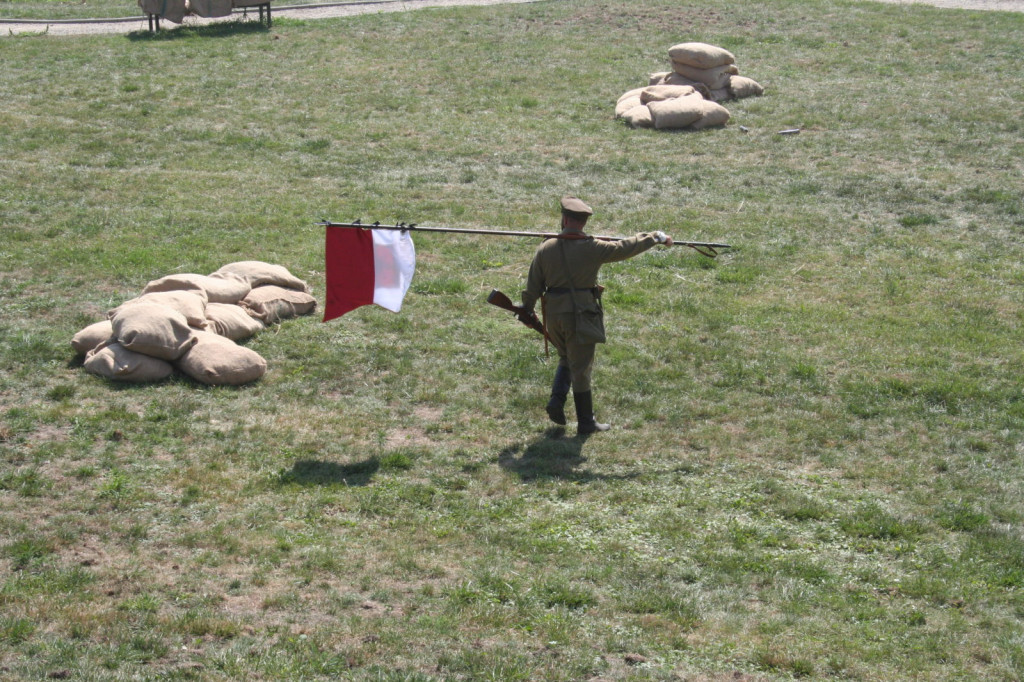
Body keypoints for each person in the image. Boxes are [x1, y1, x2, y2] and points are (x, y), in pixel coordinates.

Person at [519, 197, 673, 435]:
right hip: (580, 316)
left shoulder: (546, 247)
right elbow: (625, 248)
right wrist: (655, 237)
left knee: (566, 357)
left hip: (554, 315)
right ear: (583, 222)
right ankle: (586, 422)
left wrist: (527, 309)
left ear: (565, 219)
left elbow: (533, 285)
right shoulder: (593, 247)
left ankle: (556, 401)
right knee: (581, 368)